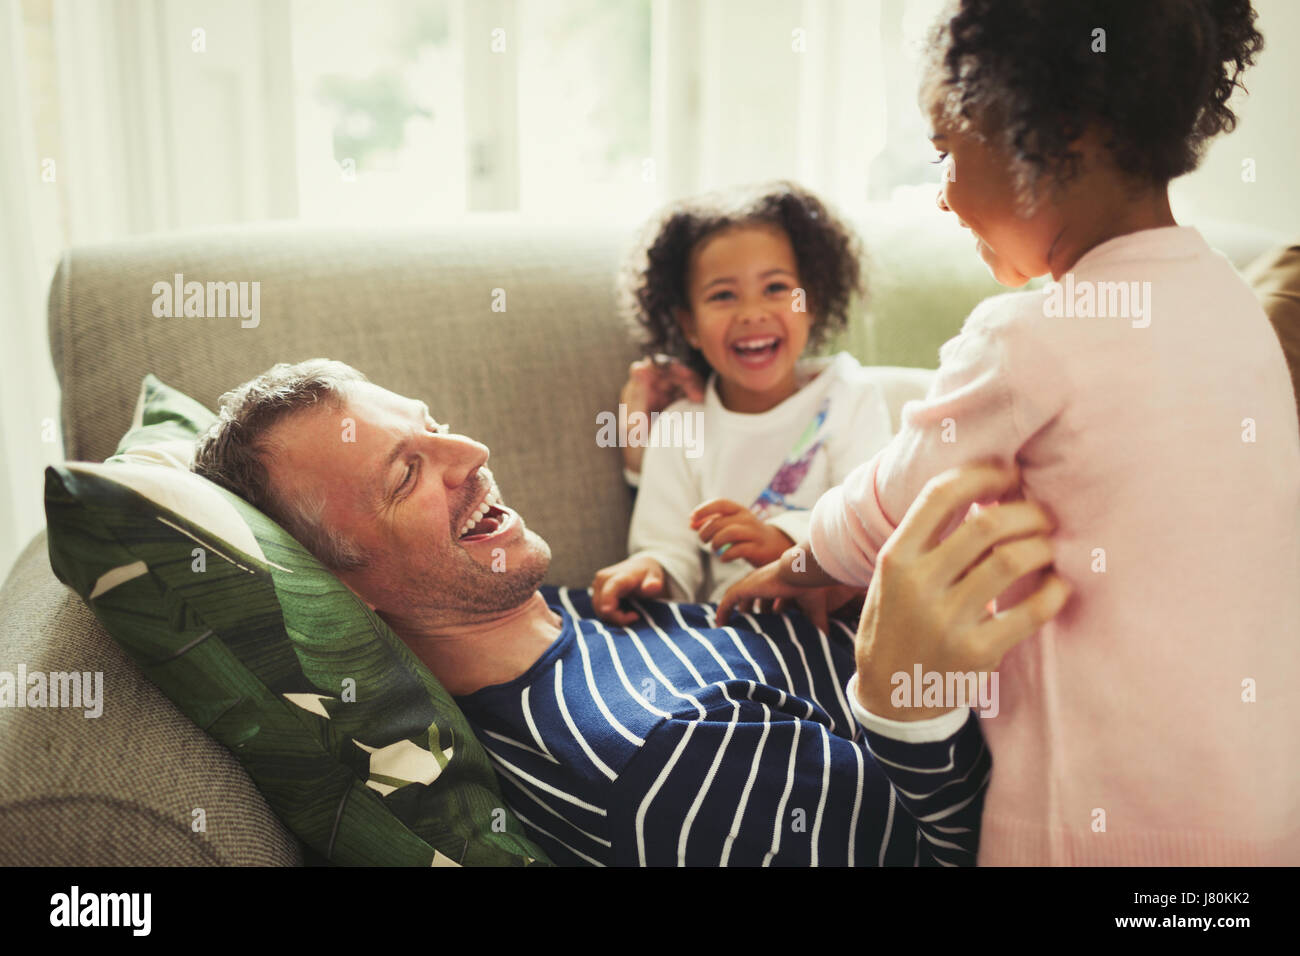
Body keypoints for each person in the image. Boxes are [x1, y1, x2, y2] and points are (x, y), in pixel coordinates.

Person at [720, 0, 1300, 864]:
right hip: (1264, 812)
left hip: (1090, 826)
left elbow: (892, 501)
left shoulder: (1026, 338)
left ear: (1060, 135)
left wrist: (796, 557)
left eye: (947, 153)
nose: (944, 195)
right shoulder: (1232, 309)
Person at [192, 359, 1067, 866]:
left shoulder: (588, 608)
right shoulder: (669, 760)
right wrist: (905, 699)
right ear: (340, 587)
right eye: (407, 474)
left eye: (435, 426)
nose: (473, 452)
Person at [590, 183, 895, 623]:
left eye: (775, 287)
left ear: (812, 303)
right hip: (729, 636)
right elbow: (666, 547)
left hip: (836, 628)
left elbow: (871, 524)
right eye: (723, 295)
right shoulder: (682, 425)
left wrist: (782, 545)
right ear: (688, 324)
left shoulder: (850, 397)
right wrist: (648, 570)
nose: (752, 312)